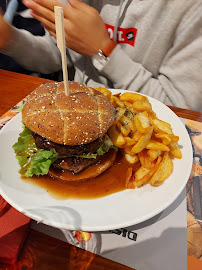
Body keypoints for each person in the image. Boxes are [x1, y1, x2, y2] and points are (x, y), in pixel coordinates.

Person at [1, 0, 202, 111]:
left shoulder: (192, 9)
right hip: (72, 110)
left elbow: (181, 108)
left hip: (140, 129)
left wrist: (103, 50)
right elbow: (56, 57)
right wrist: (10, 39)